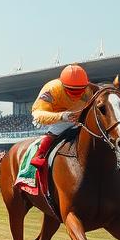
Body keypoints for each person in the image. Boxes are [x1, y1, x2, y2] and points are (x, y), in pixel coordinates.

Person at [29, 64, 93, 202]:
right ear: (62, 84)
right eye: (71, 90)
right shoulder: (51, 89)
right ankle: (39, 156)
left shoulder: (88, 89)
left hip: (79, 118)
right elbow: (37, 114)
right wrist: (61, 116)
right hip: (57, 118)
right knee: (57, 129)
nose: (76, 94)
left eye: (80, 90)